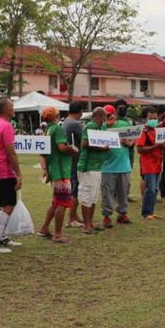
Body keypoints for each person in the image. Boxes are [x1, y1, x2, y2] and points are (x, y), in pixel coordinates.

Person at [0, 98, 23, 254]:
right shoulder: (6, 126)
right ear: (6, 110)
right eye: (11, 106)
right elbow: (11, 151)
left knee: (5, 205)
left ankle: (2, 237)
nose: (13, 108)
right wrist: (18, 173)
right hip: (4, 170)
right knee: (7, 206)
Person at [37, 107, 77, 244]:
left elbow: (42, 154)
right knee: (62, 202)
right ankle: (58, 234)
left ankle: (44, 228)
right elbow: (61, 147)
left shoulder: (47, 131)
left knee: (56, 202)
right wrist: (72, 149)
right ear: (56, 116)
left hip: (54, 169)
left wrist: (45, 170)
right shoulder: (58, 129)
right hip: (61, 170)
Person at [101, 104, 134, 228]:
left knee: (124, 192)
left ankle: (122, 214)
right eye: (105, 116)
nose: (108, 118)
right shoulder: (100, 127)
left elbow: (133, 139)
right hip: (107, 166)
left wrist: (128, 143)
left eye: (110, 115)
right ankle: (107, 216)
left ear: (114, 114)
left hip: (123, 165)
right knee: (107, 192)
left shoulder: (123, 125)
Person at [77, 107, 109, 234]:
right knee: (87, 196)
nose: (105, 120)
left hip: (96, 166)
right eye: (104, 117)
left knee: (94, 196)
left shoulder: (99, 128)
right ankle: (86, 225)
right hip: (88, 166)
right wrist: (102, 148)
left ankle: (90, 222)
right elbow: (84, 144)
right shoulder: (91, 125)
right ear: (100, 116)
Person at [136, 106, 165, 220]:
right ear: (145, 119)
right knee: (151, 188)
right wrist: (157, 146)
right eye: (151, 118)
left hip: (157, 162)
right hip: (148, 164)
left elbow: (158, 146)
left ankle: (150, 211)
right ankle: (146, 213)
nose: (154, 120)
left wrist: (162, 145)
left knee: (154, 189)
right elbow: (140, 149)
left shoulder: (155, 131)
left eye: (155, 117)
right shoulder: (143, 131)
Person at [62, 102, 85, 228]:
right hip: (75, 159)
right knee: (75, 187)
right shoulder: (75, 124)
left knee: (74, 186)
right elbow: (84, 138)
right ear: (80, 111)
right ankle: (71, 218)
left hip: (68, 159)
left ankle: (74, 215)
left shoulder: (66, 121)